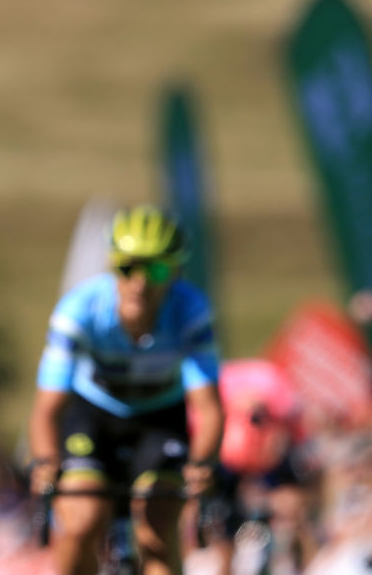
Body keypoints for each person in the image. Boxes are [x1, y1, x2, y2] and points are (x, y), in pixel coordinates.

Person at [28, 205, 224, 575]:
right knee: (81, 522)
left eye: (157, 269)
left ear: (177, 272)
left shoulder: (192, 311)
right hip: (93, 416)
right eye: (127, 267)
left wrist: (202, 464)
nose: (141, 282)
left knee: (156, 533)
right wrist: (44, 461)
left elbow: (209, 406)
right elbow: (47, 408)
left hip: (159, 419)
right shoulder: (79, 310)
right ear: (112, 266)